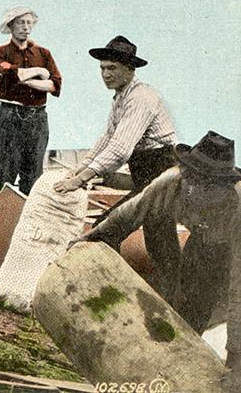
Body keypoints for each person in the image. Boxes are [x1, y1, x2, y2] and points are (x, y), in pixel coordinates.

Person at [73, 131, 240, 387]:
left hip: (225, 244)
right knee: (182, 303)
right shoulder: (171, 181)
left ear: (223, 188)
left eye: (207, 185)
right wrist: (89, 240)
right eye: (192, 178)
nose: (194, 189)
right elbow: (126, 216)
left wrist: (236, 358)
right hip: (202, 234)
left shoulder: (236, 208)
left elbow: (237, 292)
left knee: (205, 300)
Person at [53, 35, 180, 294]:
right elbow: (106, 139)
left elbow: (121, 150)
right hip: (147, 176)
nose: (105, 74)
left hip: (163, 172)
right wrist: (80, 168)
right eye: (102, 68)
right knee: (159, 242)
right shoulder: (121, 97)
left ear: (130, 70)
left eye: (112, 68)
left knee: (113, 227)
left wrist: (80, 180)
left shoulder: (142, 98)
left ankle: (115, 291)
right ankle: (171, 295)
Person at [0, 6, 62, 196]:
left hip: (37, 119)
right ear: (11, 25)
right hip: (9, 116)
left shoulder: (43, 53)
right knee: (5, 173)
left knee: (34, 175)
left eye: (29, 23)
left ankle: (27, 220)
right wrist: (38, 72)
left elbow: (54, 84)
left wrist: (23, 79)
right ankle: (1, 221)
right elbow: (6, 74)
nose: (26, 27)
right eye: (21, 22)